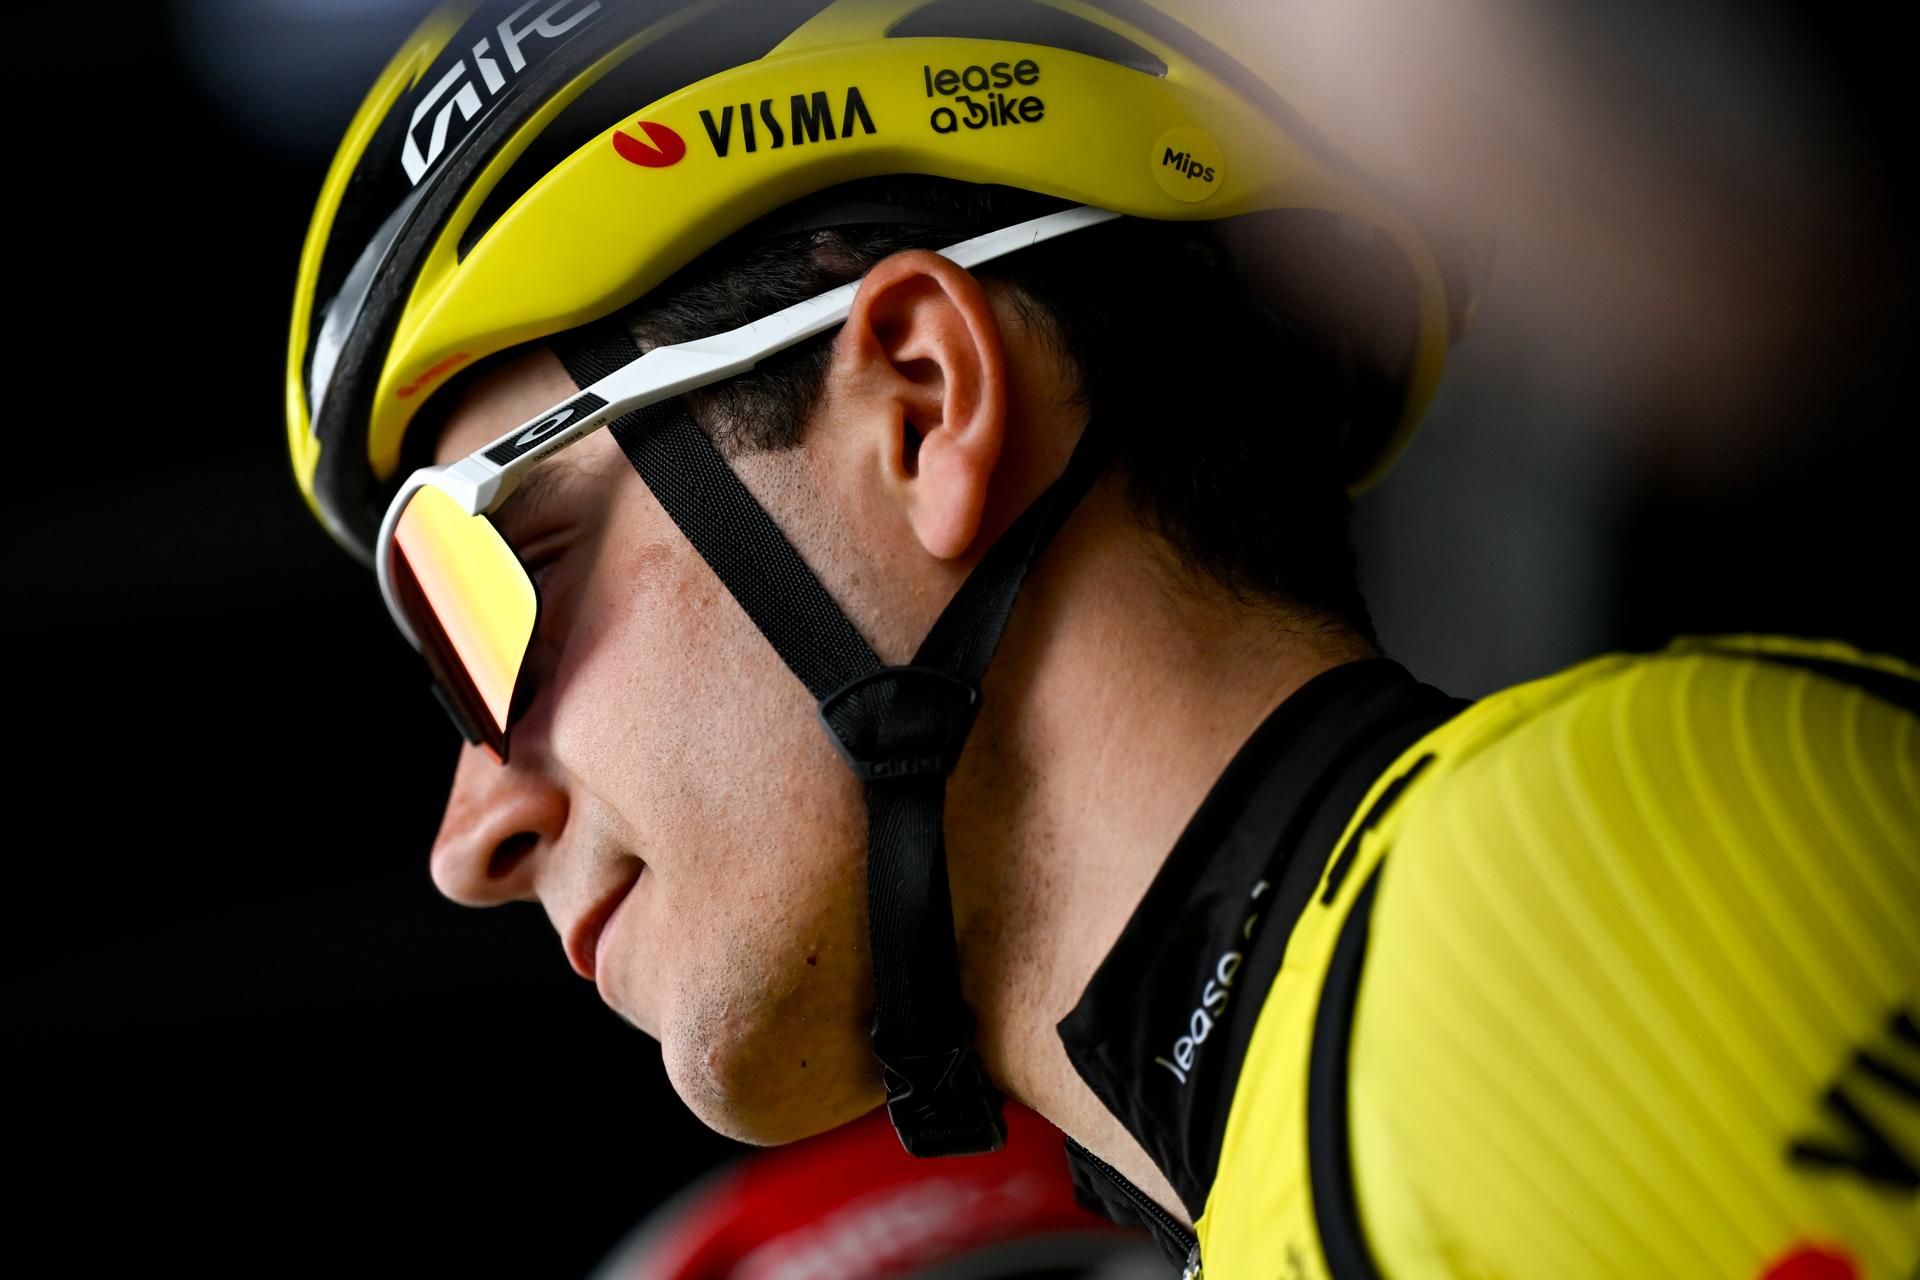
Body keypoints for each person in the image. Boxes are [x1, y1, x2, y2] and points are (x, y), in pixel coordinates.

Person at [286, 2, 1919, 1276]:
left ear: (925, 406)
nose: (472, 832)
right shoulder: (1340, 1100)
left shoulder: (1548, 903)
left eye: (497, 575)